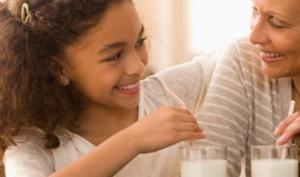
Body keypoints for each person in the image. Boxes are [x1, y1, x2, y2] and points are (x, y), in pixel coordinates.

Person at [0, 0, 205, 177]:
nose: (138, 67)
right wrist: (134, 139)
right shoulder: (33, 140)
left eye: (139, 42)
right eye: (114, 56)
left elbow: (235, 54)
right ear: (59, 69)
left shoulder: (167, 92)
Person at [197, 0, 300, 176]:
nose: (254, 38)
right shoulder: (246, 59)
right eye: (255, 11)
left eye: (277, 23)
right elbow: (205, 166)